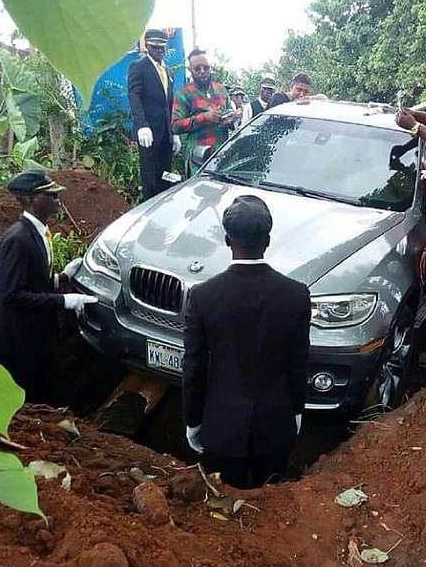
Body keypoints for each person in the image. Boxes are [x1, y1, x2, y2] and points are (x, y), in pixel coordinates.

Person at [182, 195, 311, 489]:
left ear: (228, 241)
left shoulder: (203, 296)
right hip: (276, 425)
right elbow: (298, 363)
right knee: (271, 506)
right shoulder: (296, 295)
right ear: (267, 240)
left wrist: (193, 420)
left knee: (226, 509)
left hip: (221, 429)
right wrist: (297, 411)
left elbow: (194, 367)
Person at [0, 170, 98, 401]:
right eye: (50, 195)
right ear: (29, 199)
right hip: (19, 343)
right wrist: (64, 300)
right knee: (28, 399)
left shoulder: (37, 232)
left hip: (36, 337)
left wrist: (62, 278)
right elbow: (12, 295)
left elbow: (32, 280)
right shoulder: (18, 240)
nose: (57, 199)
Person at [128, 29, 180, 202]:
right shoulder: (139, 67)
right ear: (147, 47)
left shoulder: (167, 70)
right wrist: (142, 124)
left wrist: (175, 131)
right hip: (148, 132)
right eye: (155, 47)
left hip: (166, 131)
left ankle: (163, 205)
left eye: (161, 48)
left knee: (165, 173)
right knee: (150, 175)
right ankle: (149, 209)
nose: (159, 51)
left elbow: (169, 103)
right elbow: (134, 96)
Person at [171, 48, 234, 176]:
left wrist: (230, 120)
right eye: (197, 68)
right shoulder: (184, 93)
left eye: (206, 67)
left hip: (222, 156)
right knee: (199, 194)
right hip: (198, 159)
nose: (202, 71)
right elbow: (175, 126)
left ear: (211, 68)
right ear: (190, 70)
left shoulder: (221, 90)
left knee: (221, 193)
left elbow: (230, 115)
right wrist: (205, 117)